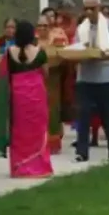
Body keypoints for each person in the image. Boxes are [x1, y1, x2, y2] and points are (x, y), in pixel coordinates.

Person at [74, 0, 109, 163]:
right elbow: (76, 49)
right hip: (85, 78)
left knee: (107, 115)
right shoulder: (81, 28)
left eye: (92, 8)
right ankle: (82, 152)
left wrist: (106, 56)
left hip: (105, 77)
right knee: (83, 115)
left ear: (99, 8)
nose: (89, 12)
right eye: (86, 8)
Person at [4, 20, 54, 178]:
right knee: (38, 130)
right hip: (36, 96)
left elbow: (7, 75)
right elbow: (46, 74)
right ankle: (39, 166)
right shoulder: (40, 51)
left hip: (18, 96)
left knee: (19, 131)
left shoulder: (9, 52)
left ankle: (19, 166)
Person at [36, 11, 69, 153]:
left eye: (45, 25)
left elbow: (64, 55)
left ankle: (53, 144)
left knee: (53, 110)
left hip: (53, 77)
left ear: (50, 26)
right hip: (36, 78)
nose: (43, 28)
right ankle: (38, 141)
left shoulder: (58, 38)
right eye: (40, 26)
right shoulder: (32, 41)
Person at [0, 17, 17, 158]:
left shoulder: (20, 43)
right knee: (1, 113)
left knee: (15, 112)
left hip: (16, 79)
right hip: (2, 79)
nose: (10, 30)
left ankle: (14, 142)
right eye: (8, 27)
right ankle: (0, 145)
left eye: (13, 27)